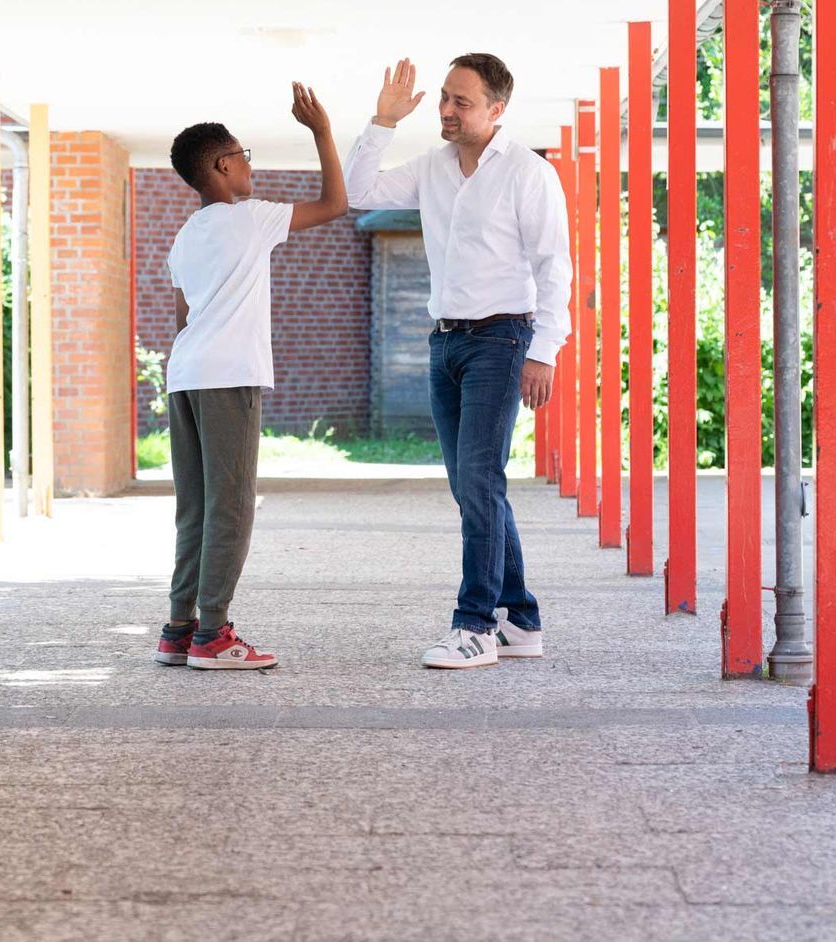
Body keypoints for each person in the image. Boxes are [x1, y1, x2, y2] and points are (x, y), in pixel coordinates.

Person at [344, 54, 570, 668]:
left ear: (497, 110)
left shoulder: (527, 173)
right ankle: (520, 619)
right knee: (474, 486)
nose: (446, 109)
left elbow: (554, 268)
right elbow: (356, 192)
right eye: (445, 97)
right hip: (444, 340)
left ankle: (474, 625)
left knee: (478, 482)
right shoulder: (433, 168)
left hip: (502, 340)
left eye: (461, 101)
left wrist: (543, 352)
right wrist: (383, 120)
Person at [155, 83, 348, 671]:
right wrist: (321, 131)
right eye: (243, 156)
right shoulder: (250, 219)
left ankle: (180, 628)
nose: (249, 166)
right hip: (227, 379)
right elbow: (336, 204)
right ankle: (213, 636)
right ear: (221, 165)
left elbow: (184, 317)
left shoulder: (187, 236)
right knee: (233, 508)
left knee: (196, 507)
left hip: (185, 376)